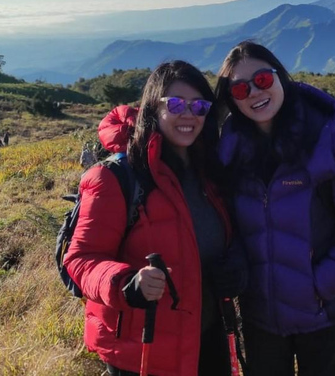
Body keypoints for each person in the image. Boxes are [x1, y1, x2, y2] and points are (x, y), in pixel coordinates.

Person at [64, 61, 244, 376]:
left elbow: (228, 239)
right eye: (175, 104)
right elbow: (81, 259)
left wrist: (237, 268)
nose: (189, 114)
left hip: (207, 341)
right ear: (151, 108)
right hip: (143, 351)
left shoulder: (212, 174)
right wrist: (125, 283)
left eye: (199, 106)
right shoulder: (116, 177)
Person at [215, 42, 335, 376]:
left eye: (262, 79)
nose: (254, 92)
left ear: (280, 77)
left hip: (323, 315)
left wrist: (319, 287)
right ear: (231, 99)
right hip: (260, 318)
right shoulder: (227, 154)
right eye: (240, 87)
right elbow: (226, 226)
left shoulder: (327, 143)